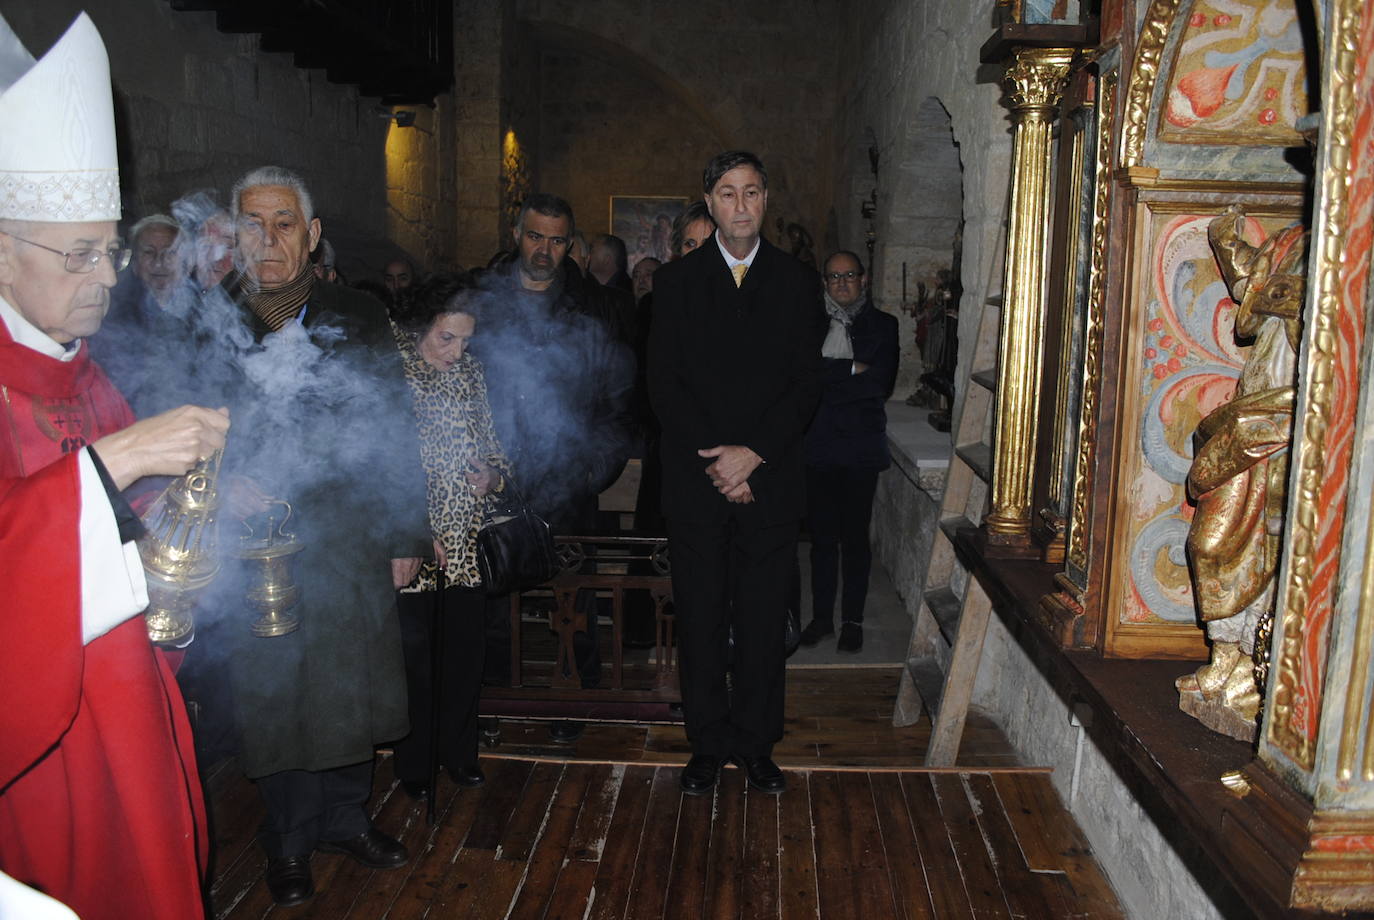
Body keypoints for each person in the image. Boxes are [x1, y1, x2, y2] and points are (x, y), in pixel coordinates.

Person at [0, 12, 230, 919]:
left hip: (130, 697)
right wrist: (118, 459)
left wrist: (180, 505)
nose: (106, 277)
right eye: (82, 254)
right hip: (41, 741)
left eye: (112, 250)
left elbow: (130, 519)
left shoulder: (86, 375)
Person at [217, 165, 430, 907]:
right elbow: (179, 428)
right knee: (277, 691)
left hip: (350, 533)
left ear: (311, 236)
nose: (267, 238)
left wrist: (406, 531)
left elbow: (398, 427)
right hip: (256, 541)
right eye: (252, 222)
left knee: (353, 682)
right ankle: (287, 837)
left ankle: (346, 819)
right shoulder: (212, 320)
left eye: (283, 223)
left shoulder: (358, 315)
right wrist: (220, 482)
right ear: (233, 234)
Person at [648, 151, 824, 797]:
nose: (741, 205)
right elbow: (664, 388)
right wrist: (722, 462)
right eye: (727, 193)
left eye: (752, 192)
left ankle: (754, 744)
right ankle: (707, 744)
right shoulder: (676, 285)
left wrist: (754, 455)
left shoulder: (797, 283)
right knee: (698, 619)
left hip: (770, 481)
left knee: (759, 621)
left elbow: (806, 386)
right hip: (698, 484)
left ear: (767, 200)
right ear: (709, 201)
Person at [391, 273, 510, 797]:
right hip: (411, 540)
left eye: (466, 340)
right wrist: (414, 533)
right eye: (447, 338)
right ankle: (415, 763)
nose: (457, 351)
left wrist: (494, 476)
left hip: (464, 539)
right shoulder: (389, 369)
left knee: (464, 655)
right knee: (415, 659)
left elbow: (492, 443)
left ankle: (459, 753)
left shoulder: (470, 373)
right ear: (422, 325)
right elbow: (378, 462)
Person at [797, 251, 899, 653]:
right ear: (824, 282)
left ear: (864, 279)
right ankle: (822, 618)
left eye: (849, 275)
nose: (841, 282)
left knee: (855, 539)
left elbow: (880, 383)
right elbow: (803, 376)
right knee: (821, 540)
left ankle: (852, 620)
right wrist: (851, 369)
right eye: (833, 276)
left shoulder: (883, 326)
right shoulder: (810, 325)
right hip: (817, 448)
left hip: (859, 450)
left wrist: (829, 376)